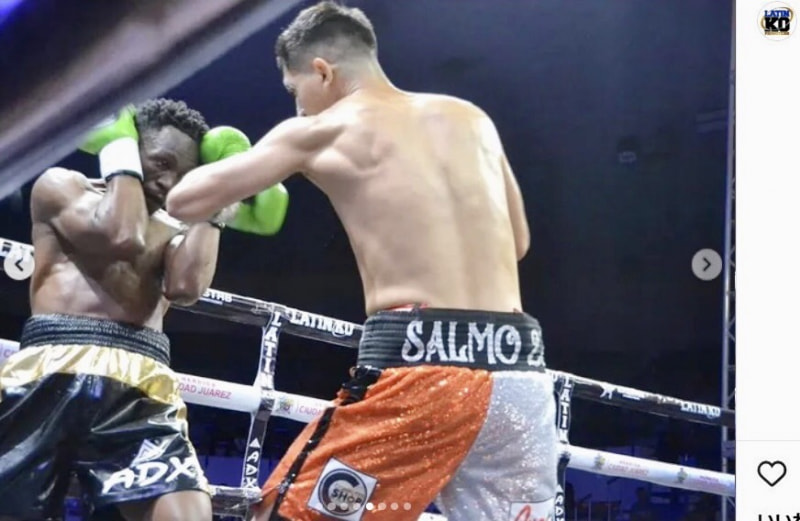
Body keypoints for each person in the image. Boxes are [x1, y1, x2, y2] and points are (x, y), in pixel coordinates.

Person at [166, 3, 555, 520]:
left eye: (294, 90)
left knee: (282, 513)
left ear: (322, 71)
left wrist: (223, 156)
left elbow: (183, 201)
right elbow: (519, 242)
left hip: (424, 372)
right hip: (523, 376)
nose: (298, 107)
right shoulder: (471, 118)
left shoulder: (320, 130)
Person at [0, 98, 288, 521]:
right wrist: (117, 149)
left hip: (139, 387)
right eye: (160, 163)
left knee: (186, 515)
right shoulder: (62, 186)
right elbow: (121, 235)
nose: (168, 182)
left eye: (184, 177)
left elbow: (186, 288)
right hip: (48, 371)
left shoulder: (174, 228)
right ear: (132, 149)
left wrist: (214, 206)